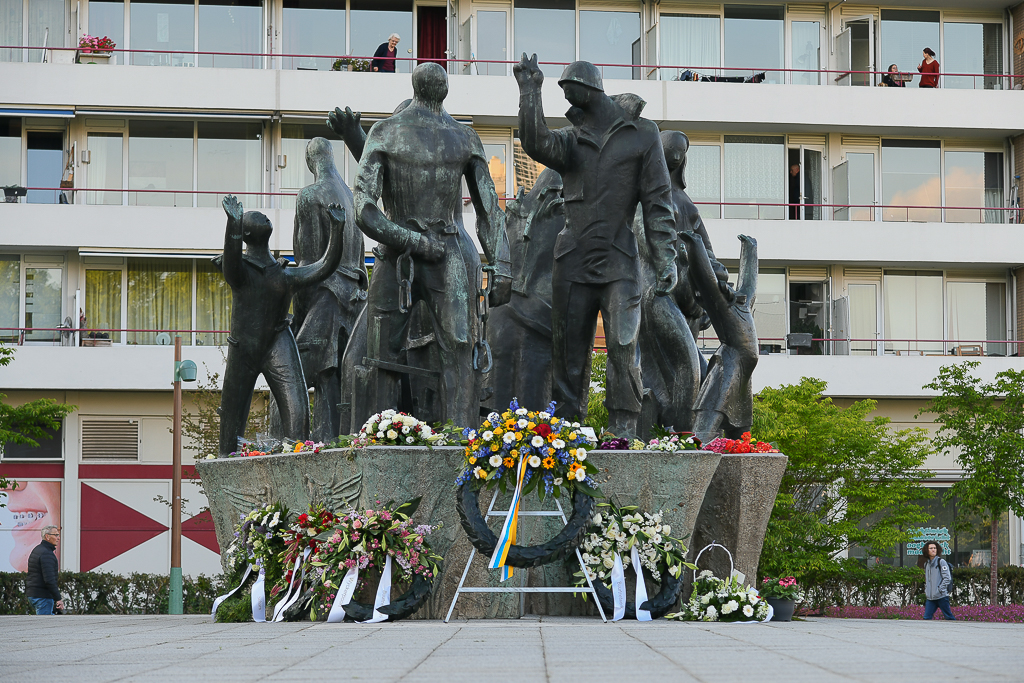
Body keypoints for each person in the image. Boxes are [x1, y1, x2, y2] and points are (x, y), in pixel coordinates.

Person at [514, 55, 677, 438]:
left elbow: (658, 201)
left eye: (568, 92)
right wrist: (529, 92)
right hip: (571, 260)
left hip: (620, 259)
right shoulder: (571, 140)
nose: (567, 102)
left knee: (623, 345)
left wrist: (666, 257)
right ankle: (568, 435)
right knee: (569, 355)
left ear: (588, 89)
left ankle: (622, 431)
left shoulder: (642, 134)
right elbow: (535, 142)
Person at [351, 62, 512, 428]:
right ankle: (388, 442)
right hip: (413, 254)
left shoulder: (397, 133)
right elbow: (365, 211)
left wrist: (502, 264)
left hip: (438, 253)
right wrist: (416, 242)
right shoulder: (402, 133)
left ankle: (460, 444)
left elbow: (489, 209)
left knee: (447, 350)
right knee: (386, 354)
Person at [215, 196, 346, 456]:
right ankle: (225, 463)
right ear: (248, 232)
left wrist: (337, 230)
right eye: (256, 218)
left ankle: (297, 463)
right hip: (243, 348)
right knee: (231, 420)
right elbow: (231, 260)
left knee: (298, 414)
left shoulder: (284, 274)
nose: (264, 217)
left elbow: (324, 268)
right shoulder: (241, 271)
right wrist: (233, 224)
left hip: (278, 342)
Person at [291, 138, 367, 442]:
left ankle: (282, 450)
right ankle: (329, 444)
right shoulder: (351, 197)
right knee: (333, 381)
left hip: (325, 295)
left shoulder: (310, 196)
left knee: (291, 377)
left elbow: (308, 259)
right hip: (355, 297)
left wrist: (299, 312)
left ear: (311, 162)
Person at [26, 525, 64, 615]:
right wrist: (58, 599)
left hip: (34, 594)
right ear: (47, 536)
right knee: (44, 626)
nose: (58, 538)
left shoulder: (38, 550)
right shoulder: (46, 554)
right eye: (55, 535)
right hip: (43, 597)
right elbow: (49, 580)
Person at [918, 540, 956, 620]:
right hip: (930, 598)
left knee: (949, 617)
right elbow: (927, 580)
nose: (933, 550)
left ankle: (957, 630)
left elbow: (947, 578)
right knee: (926, 618)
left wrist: (939, 589)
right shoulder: (926, 564)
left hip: (941, 596)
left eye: (935, 548)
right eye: (931, 548)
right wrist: (927, 590)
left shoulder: (941, 562)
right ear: (926, 550)